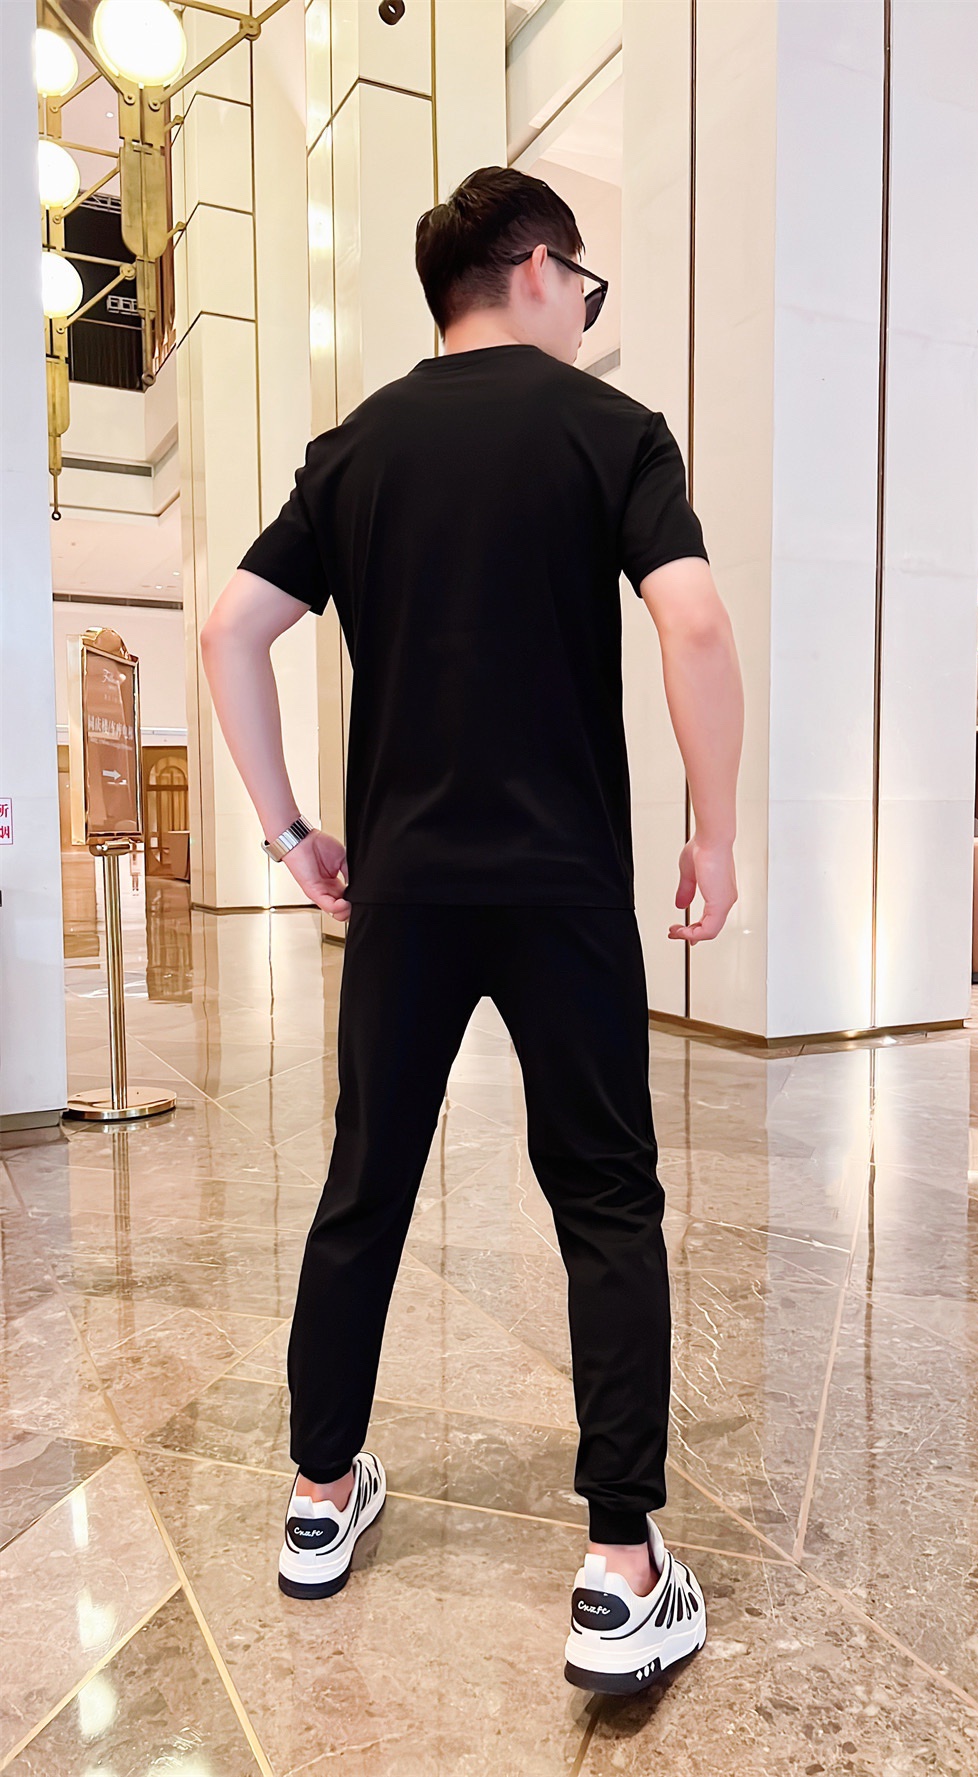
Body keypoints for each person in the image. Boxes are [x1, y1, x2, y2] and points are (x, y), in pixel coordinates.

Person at [199, 165, 743, 1695]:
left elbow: (231, 629)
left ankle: (319, 1497)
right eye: (584, 285)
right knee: (605, 1197)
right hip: (564, 884)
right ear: (539, 266)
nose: (583, 309)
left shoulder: (355, 449)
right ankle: (619, 1569)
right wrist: (714, 831)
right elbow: (696, 621)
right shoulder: (610, 431)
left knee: (364, 1184)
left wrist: (290, 830)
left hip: (407, 890)